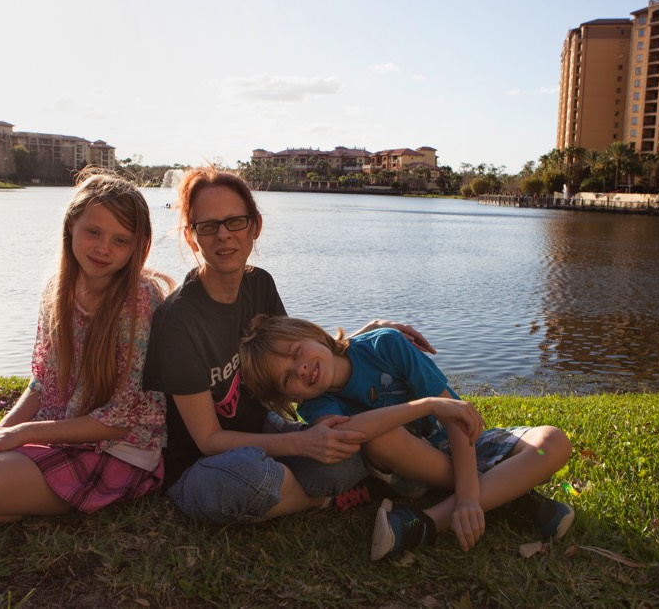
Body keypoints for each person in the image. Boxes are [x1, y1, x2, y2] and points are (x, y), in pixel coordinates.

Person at [141, 165, 467, 525]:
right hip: (203, 464)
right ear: (191, 237)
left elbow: (295, 359)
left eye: (235, 221)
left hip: (261, 430)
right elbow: (208, 439)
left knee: (344, 445)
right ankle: (321, 500)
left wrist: (364, 334)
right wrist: (299, 444)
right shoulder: (179, 321)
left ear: (255, 226)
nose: (224, 236)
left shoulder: (259, 284)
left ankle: (318, 488)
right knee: (248, 477)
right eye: (208, 226)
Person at [0, 169, 174, 522]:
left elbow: (123, 419)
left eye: (120, 240)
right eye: (93, 232)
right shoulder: (58, 290)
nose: (103, 248)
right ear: (71, 228)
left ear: (137, 246)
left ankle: (30, 494)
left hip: (120, 450)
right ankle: (19, 490)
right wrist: (2, 432)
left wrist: (25, 433)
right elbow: (41, 384)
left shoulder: (140, 300)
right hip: (61, 431)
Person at [239, 314, 575, 561]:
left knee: (554, 442)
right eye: (286, 378)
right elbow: (350, 434)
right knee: (378, 437)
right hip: (413, 472)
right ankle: (509, 496)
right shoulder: (316, 406)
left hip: (462, 444)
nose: (300, 369)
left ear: (316, 333)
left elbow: (457, 418)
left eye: (297, 352)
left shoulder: (385, 344)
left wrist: (471, 498)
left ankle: (426, 523)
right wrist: (425, 406)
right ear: (287, 396)